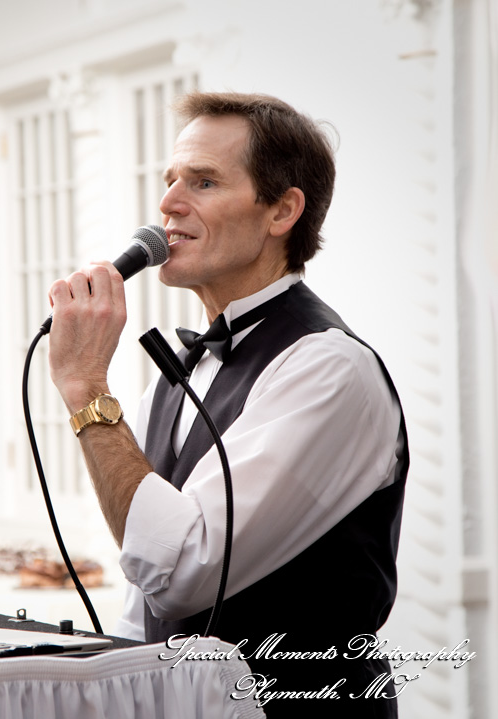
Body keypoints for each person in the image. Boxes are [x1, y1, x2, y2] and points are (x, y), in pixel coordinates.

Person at [47, 92, 408, 718]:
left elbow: (183, 570)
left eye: (205, 181)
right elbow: (144, 603)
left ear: (282, 211)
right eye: (170, 181)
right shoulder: (174, 377)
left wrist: (87, 388)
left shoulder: (328, 367)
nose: (167, 204)